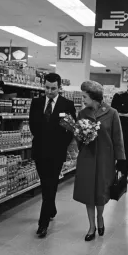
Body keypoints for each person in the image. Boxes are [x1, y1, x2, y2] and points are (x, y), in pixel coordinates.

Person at [73, 81, 125, 241]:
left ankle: (100, 217)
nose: (82, 99)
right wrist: (81, 136)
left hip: (105, 160)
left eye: (84, 96)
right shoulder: (82, 114)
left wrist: (121, 159)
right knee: (89, 193)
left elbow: (117, 137)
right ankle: (91, 226)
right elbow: (77, 136)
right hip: (87, 158)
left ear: (94, 97)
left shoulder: (112, 113)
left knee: (101, 193)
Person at [29, 73, 76, 238]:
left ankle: (43, 224)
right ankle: (52, 207)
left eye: (53, 88)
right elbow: (32, 125)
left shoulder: (67, 105)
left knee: (51, 183)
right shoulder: (36, 103)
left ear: (59, 88)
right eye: (47, 88)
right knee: (45, 183)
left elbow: (70, 129)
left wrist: (60, 144)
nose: (50, 91)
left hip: (56, 151)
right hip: (40, 150)